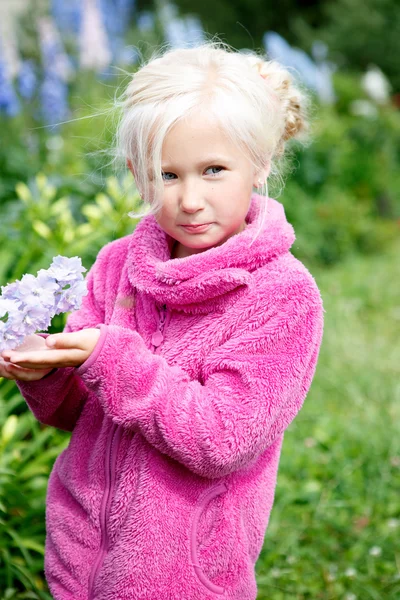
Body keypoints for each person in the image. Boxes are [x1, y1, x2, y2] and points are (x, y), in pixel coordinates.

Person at [0, 40, 325, 600]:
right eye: (167, 175)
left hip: (182, 576)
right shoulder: (118, 265)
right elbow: (79, 411)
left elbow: (222, 439)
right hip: (80, 553)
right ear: (137, 171)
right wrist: (47, 375)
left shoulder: (281, 296)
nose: (190, 200)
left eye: (214, 170)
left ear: (260, 163)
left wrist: (112, 356)